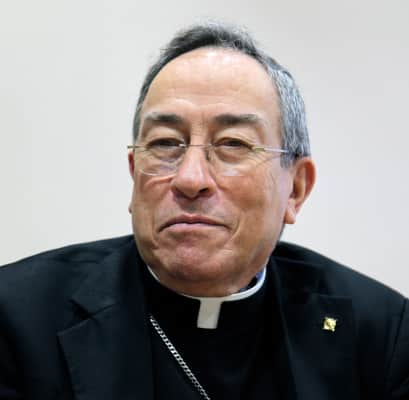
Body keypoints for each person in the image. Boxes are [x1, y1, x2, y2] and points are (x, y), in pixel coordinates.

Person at [0, 22, 408, 400]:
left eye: (233, 144)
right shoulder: (17, 318)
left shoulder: (381, 335)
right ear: (134, 172)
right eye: (165, 143)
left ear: (296, 190)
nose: (190, 179)